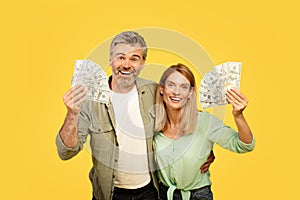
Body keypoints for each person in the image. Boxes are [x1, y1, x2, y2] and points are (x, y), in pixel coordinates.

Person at [55, 32, 214, 200]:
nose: (126, 65)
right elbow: (66, 152)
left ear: (143, 63)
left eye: (134, 58)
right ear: (110, 60)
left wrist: (203, 151)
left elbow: (184, 117)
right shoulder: (90, 100)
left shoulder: (153, 92)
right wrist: (72, 114)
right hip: (109, 194)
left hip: (150, 192)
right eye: (121, 57)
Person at [154, 63, 255, 200]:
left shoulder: (205, 122)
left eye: (184, 87)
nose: (176, 92)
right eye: (171, 85)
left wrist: (238, 115)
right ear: (161, 89)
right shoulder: (152, 124)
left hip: (198, 196)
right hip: (162, 195)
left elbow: (244, 144)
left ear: (191, 93)